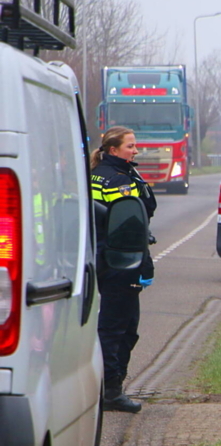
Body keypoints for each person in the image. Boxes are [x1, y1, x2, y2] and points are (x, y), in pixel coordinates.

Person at [90, 126, 157, 413]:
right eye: (130, 146)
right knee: (121, 329)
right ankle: (111, 391)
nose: (136, 150)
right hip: (120, 259)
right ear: (114, 150)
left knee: (115, 326)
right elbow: (130, 221)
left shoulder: (98, 172)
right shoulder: (118, 179)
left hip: (104, 256)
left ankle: (108, 386)